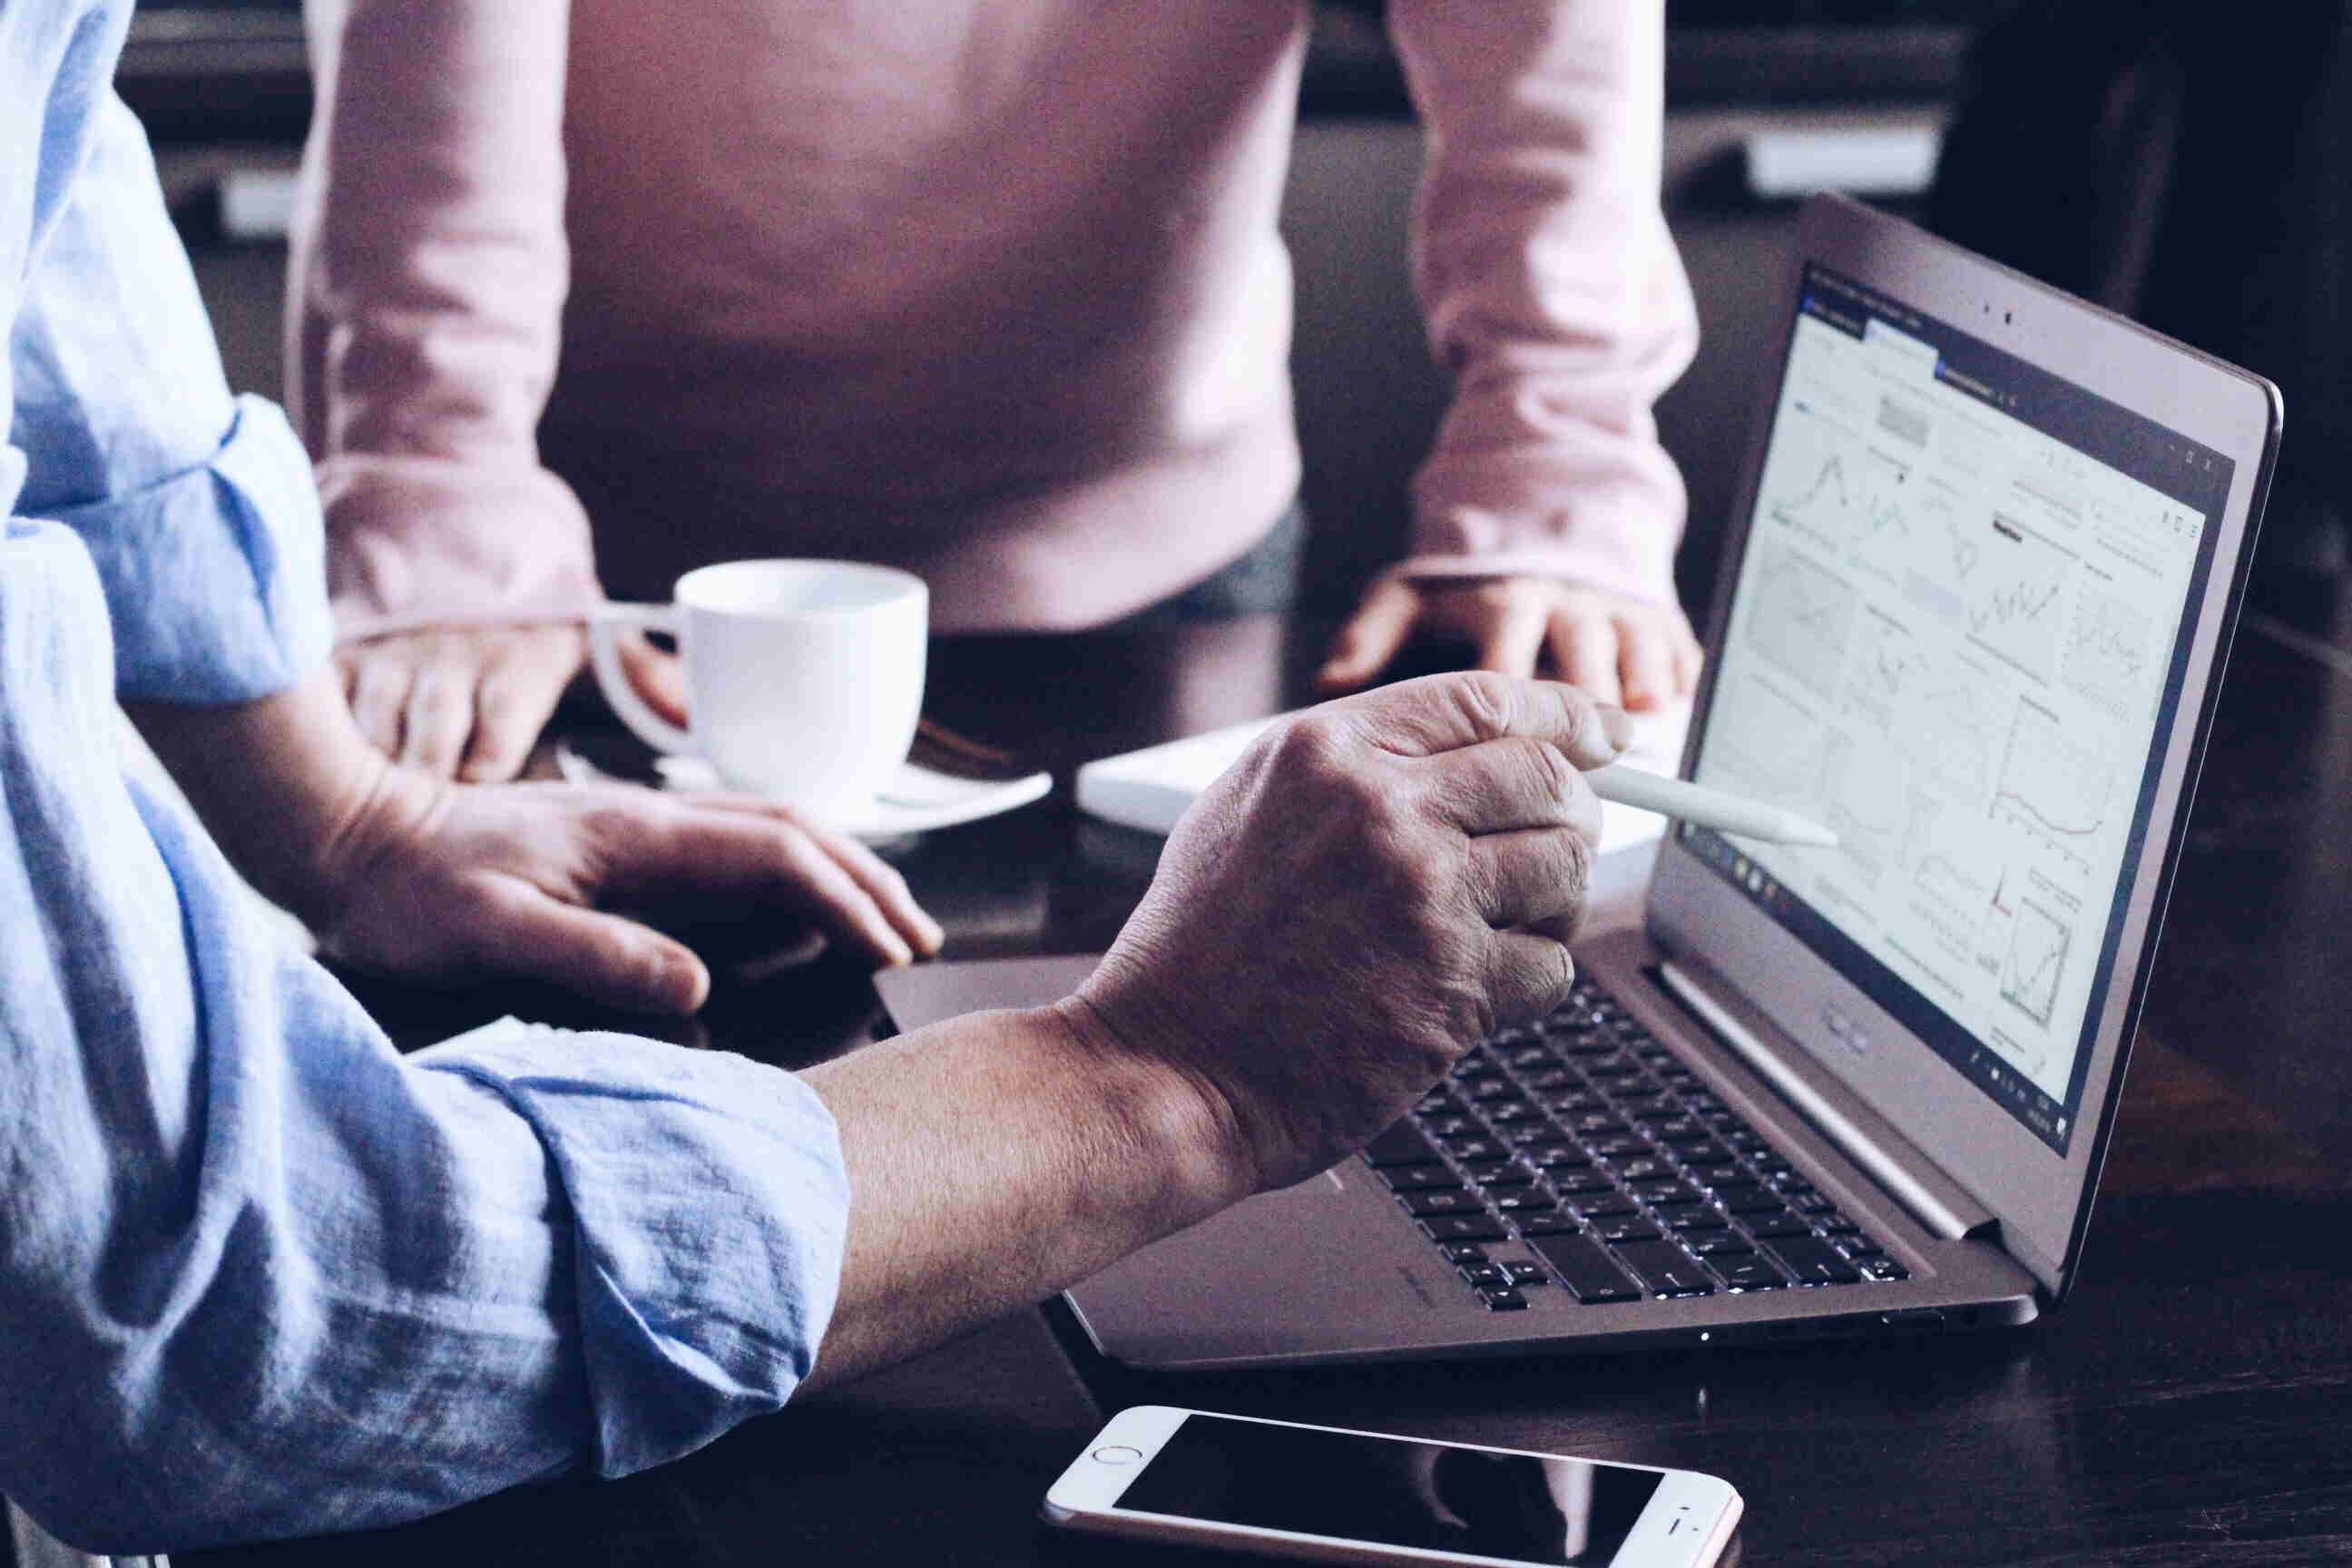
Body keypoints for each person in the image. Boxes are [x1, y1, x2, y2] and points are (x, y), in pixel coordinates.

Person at [0, 5, 1622, 1550]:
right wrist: (1159, 1079)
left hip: (1157, 516)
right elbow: (204, 1303)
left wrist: (353, 818)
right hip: (616, 524)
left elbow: (54, 226)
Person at [290, 0, 1705, 783]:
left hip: (1150, 551)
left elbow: (1545, 52)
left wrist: (1562, 452)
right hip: (566, 594)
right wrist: (441, 474)